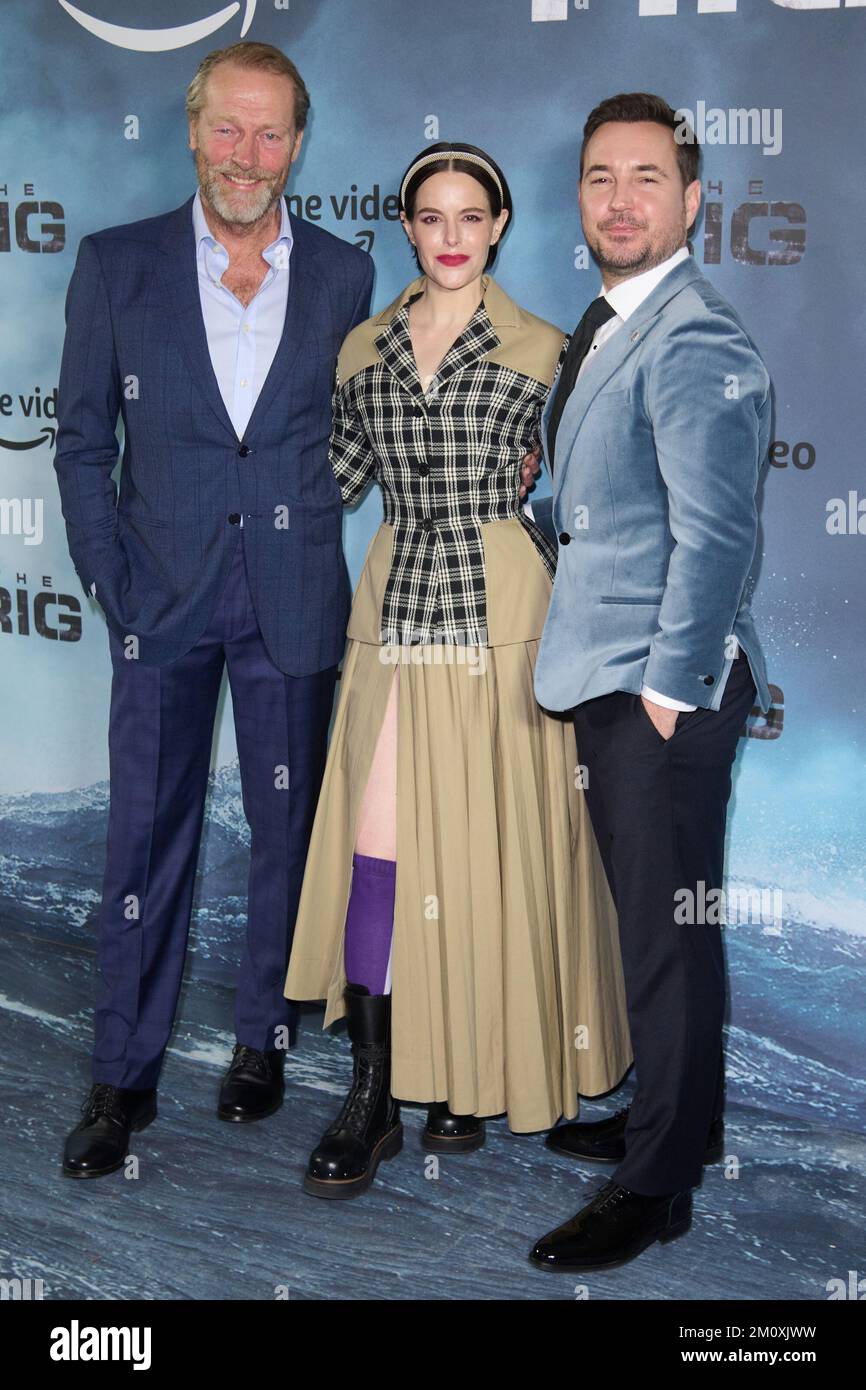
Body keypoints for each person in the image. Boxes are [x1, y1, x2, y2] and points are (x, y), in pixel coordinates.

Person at [284, 142, 632, 1199]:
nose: (448, 235)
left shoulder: (540, 350)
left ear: (497, 225)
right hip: (397, 607)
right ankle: (375, 1093)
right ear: (406, 226)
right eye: (429, 216)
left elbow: (585, 497)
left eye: (467, 216)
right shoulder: (359, 351)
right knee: (379, 848)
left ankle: (465, 1083)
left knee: (488, 850)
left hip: (504, 609)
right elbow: (329, 480)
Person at [54, 41, 373, 1179]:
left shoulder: (343, 274)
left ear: (298, 143)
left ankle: (261, 1040)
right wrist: (109, 578)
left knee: (287, 836)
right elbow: (85, 439)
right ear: (193, 131)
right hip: (160, 600)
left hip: (291, 601)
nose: (248, 155)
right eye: (228, 129)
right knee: (143, 837)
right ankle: (120, 1075)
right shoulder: (116, 263)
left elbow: (355, 435)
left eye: (271, 132)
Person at [527, 93, 773, 1271]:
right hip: (613, 678)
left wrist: (669, 689)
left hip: (655, 690)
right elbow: (607, 501)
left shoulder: (693, 336)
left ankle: (655, 1186)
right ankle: (677, 1119)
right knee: (665, 930)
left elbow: (718, 536)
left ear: (686, 200)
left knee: (664, 940)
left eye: (643, 177)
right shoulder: (614, 318)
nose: (617, 199)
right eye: (596, 178)